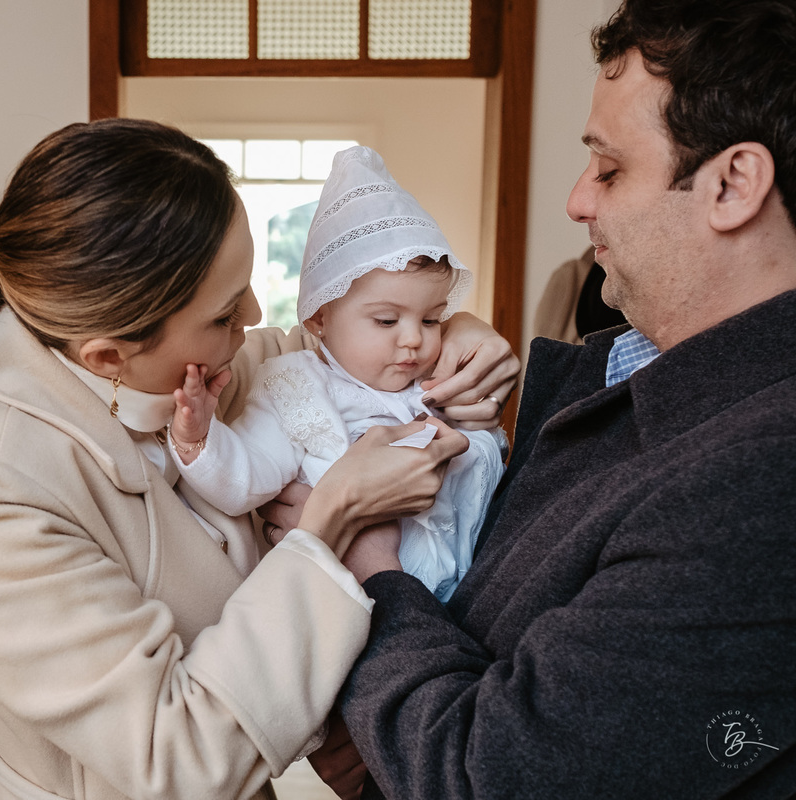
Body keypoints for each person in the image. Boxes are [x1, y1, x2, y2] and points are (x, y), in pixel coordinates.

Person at [0, 118, 519, 800]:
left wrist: (460, 331)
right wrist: (332, 521)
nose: (254, 315)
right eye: (224, 315)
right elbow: (177, 759)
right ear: (109, 356)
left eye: (245, 286)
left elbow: (336, 354)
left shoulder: (204, 369)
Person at [280, 1, 796, 797]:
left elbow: (492, 775)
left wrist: (371, 572)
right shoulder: (631, 371)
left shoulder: (762, 479)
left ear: (732, 184)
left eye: (610, 169)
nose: (577, 201)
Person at [169, 146, 505, 602]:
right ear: (319, 319)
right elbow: (247, 478)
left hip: (466, 590)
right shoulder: (295, 389)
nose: (414, 339)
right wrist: (197, 440)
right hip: (360, 604)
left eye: (431, 319)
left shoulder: (438, 378)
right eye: (386, 320)